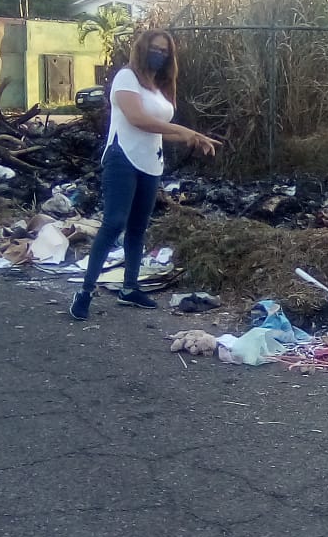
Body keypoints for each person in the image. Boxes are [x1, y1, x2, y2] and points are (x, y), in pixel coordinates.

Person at [70, 30, 219, 320]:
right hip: (122, 157)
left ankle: (130, 288)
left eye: (165, 51)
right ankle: (85, 291)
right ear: (143, 48)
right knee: (114, 223)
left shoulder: (159, 86)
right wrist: (186, 131)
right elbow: (138, 120)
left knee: (138, 227)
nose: (160, 55)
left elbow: (158, 129)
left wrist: (192, 139)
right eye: (155, 49)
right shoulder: (127, 77)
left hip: (151, 161)